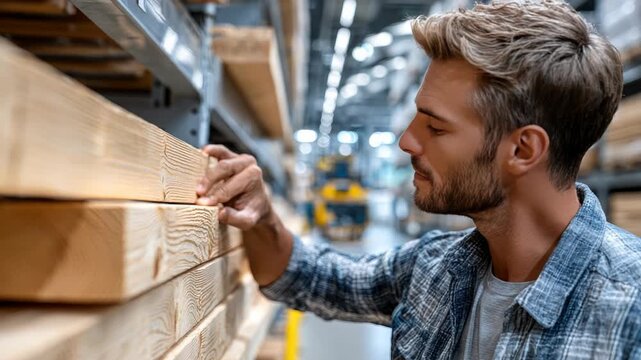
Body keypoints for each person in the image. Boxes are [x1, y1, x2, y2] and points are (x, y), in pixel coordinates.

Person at [196, 0, 641, 358]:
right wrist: (260, 214)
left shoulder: (629, 312)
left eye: (435, 126)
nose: (407, 142)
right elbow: (313, 278)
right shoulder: (436, 268)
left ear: (523, 150)